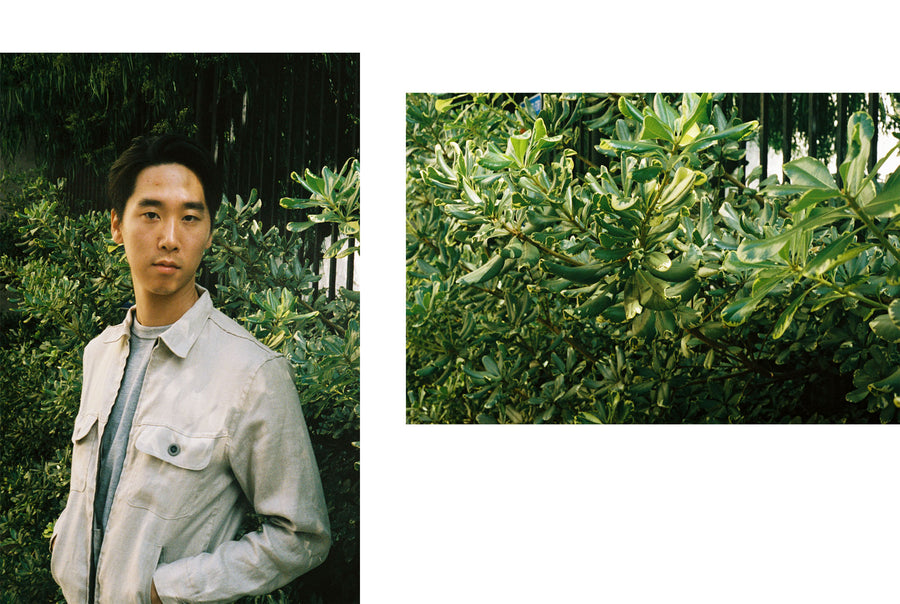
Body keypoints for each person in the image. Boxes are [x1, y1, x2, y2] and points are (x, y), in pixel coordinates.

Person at [49, 134, 330, 603]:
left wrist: (171, 590)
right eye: (152, 214)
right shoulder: (99, 353)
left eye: (190, 217)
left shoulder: (252, 373)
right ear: (117, 225)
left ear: (209, 232)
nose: (170, 238)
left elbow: (301, 535)